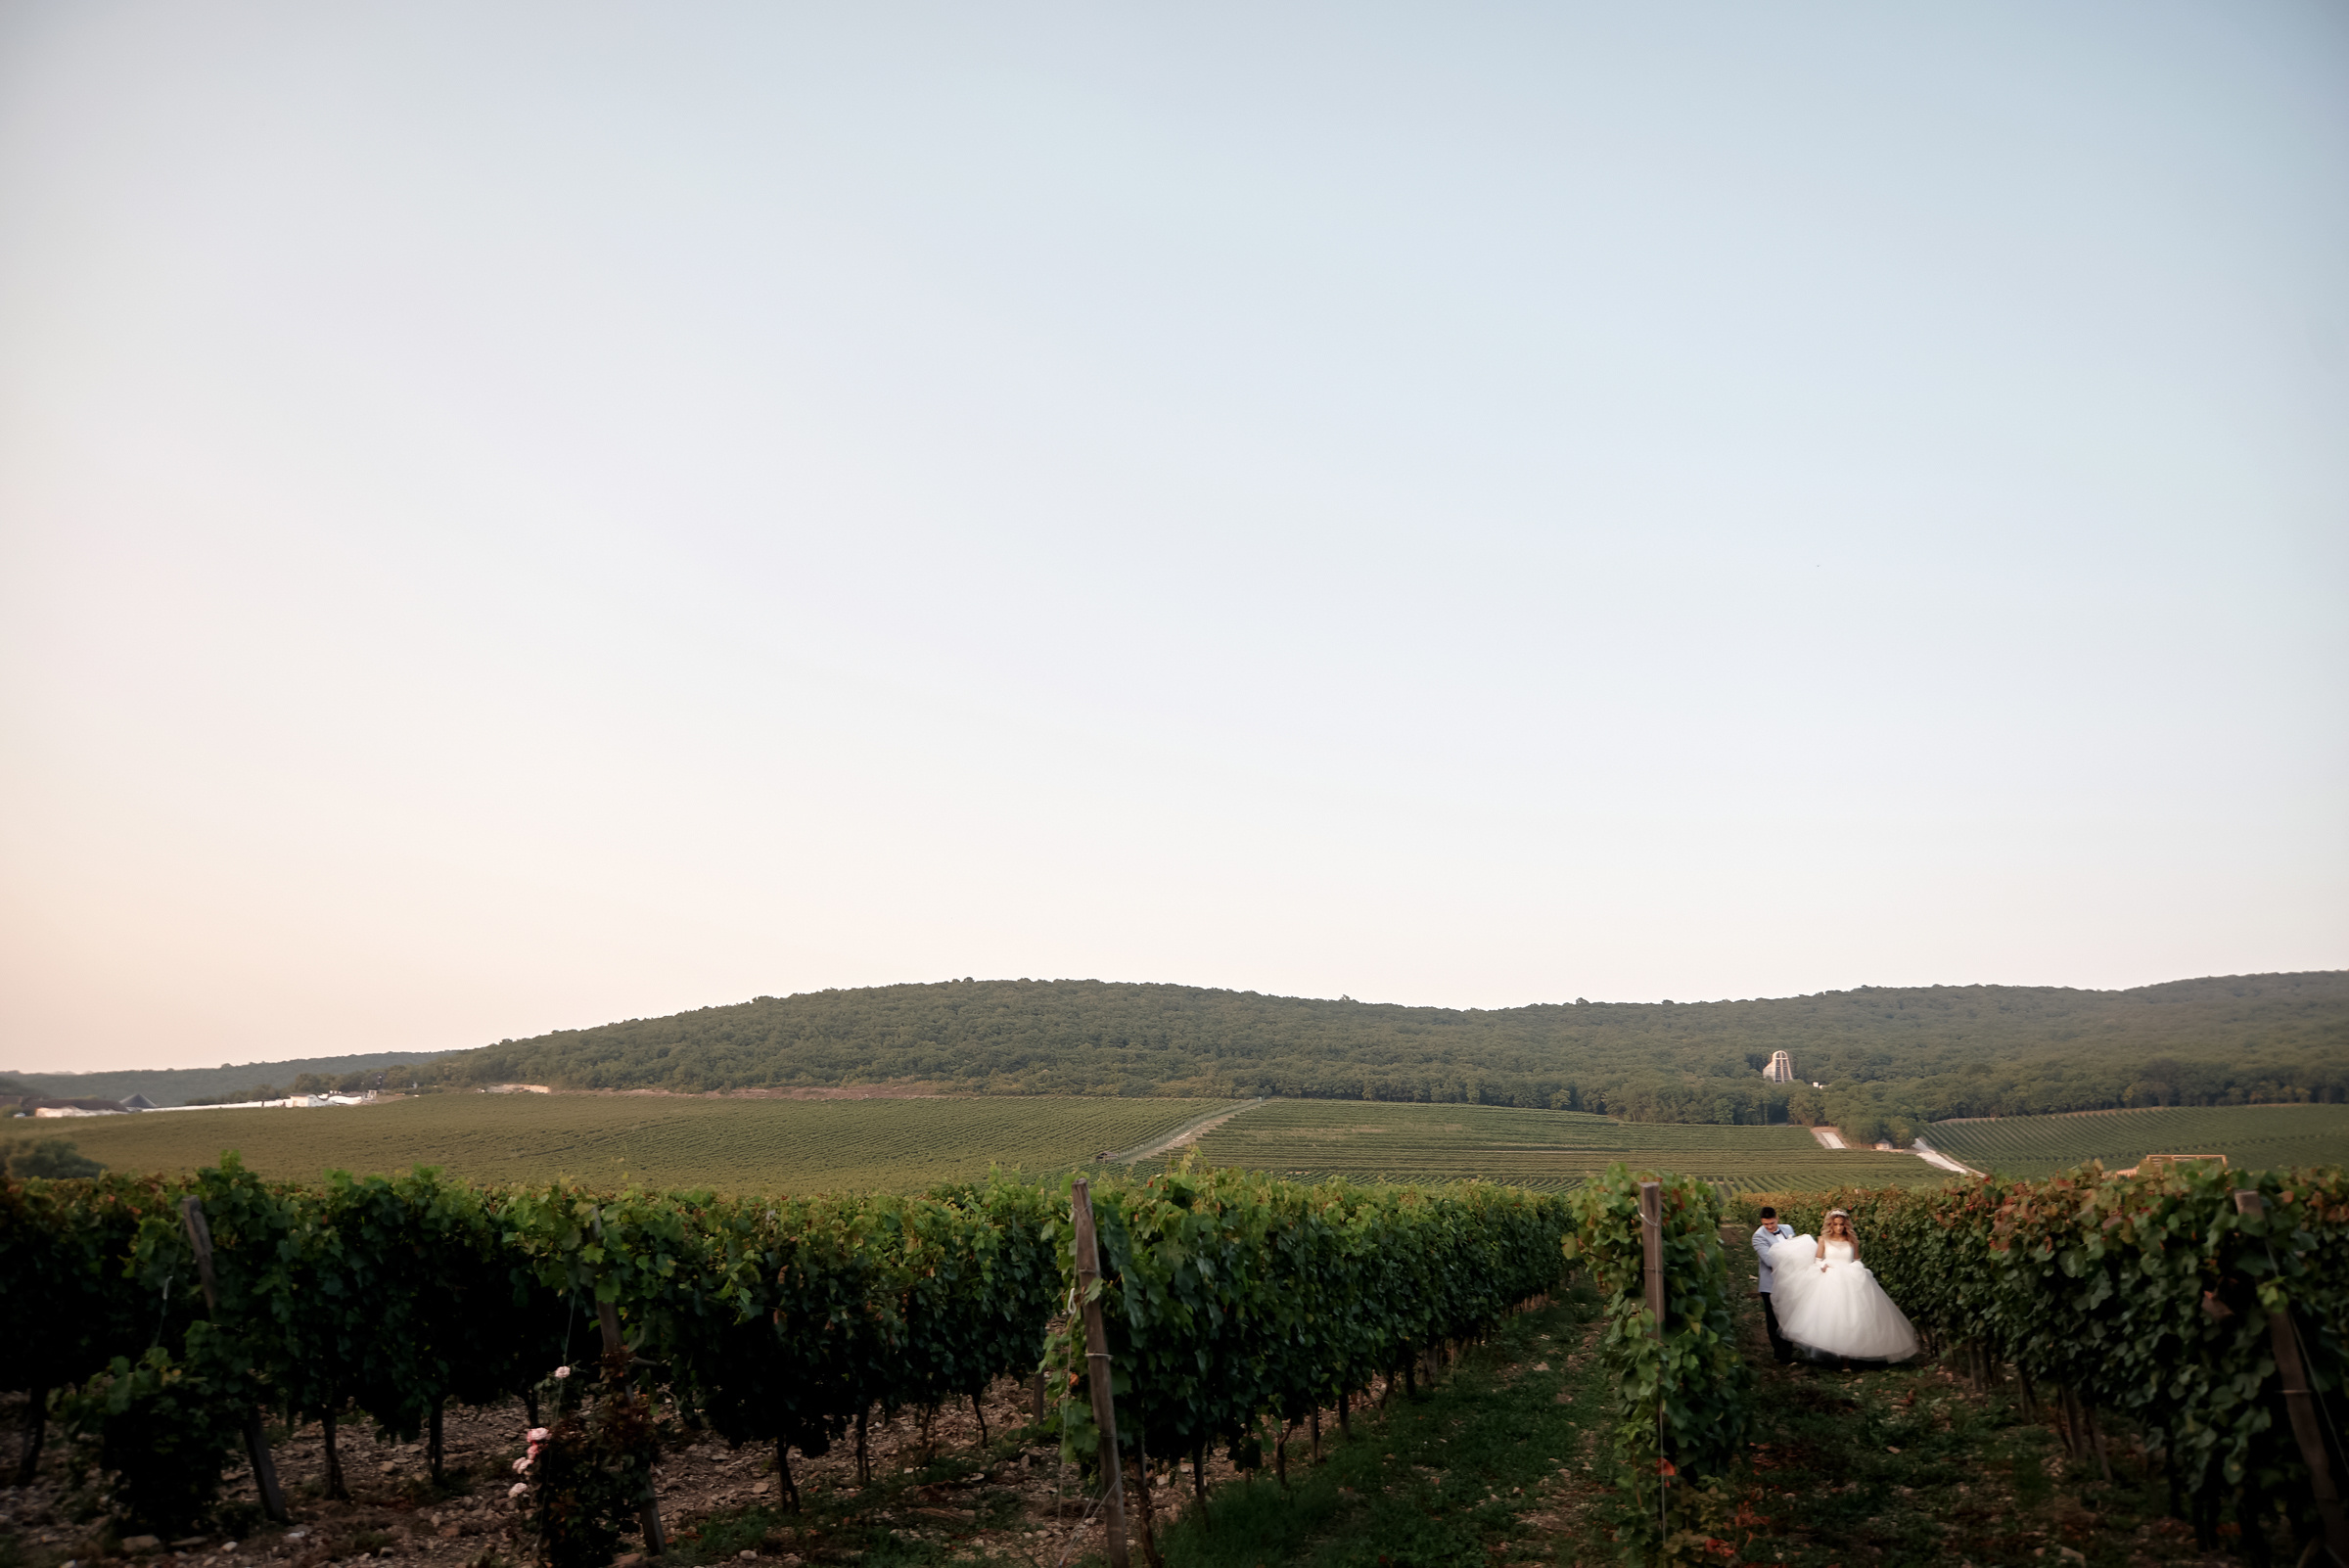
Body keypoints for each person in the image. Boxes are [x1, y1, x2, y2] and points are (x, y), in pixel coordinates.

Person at [1763, 1210, 1920, 1364]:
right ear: (1831, 1225)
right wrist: (1823, 1265)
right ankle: (1836, 1353)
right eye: (1836, 1224)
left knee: (1854, 1315)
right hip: (1831, 1276)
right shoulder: (1823, 1239)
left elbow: (1857, 1259)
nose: (1839, 1228)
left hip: (1851, 1277)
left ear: (1846, 1225)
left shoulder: (1852, 1240)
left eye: (1841, 1225)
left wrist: (1857, 1268)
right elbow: (1818, 1259)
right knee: (1833, 1315)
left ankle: (1850, 1355)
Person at [1749, 1206, 1795, 1363]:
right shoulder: (1758, 1237)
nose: (1769, 1227)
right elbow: (1769, 1260)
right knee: (1773, 1318)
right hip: (1771, 1284)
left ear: (1777, 1218)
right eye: (1766, 1224)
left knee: (1788, 1316)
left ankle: (1788, 1350)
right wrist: (1793, 1259)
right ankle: (1779, 1353)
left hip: (1789, 1281)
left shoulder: (1788, 1229)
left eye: (1772, 1223)